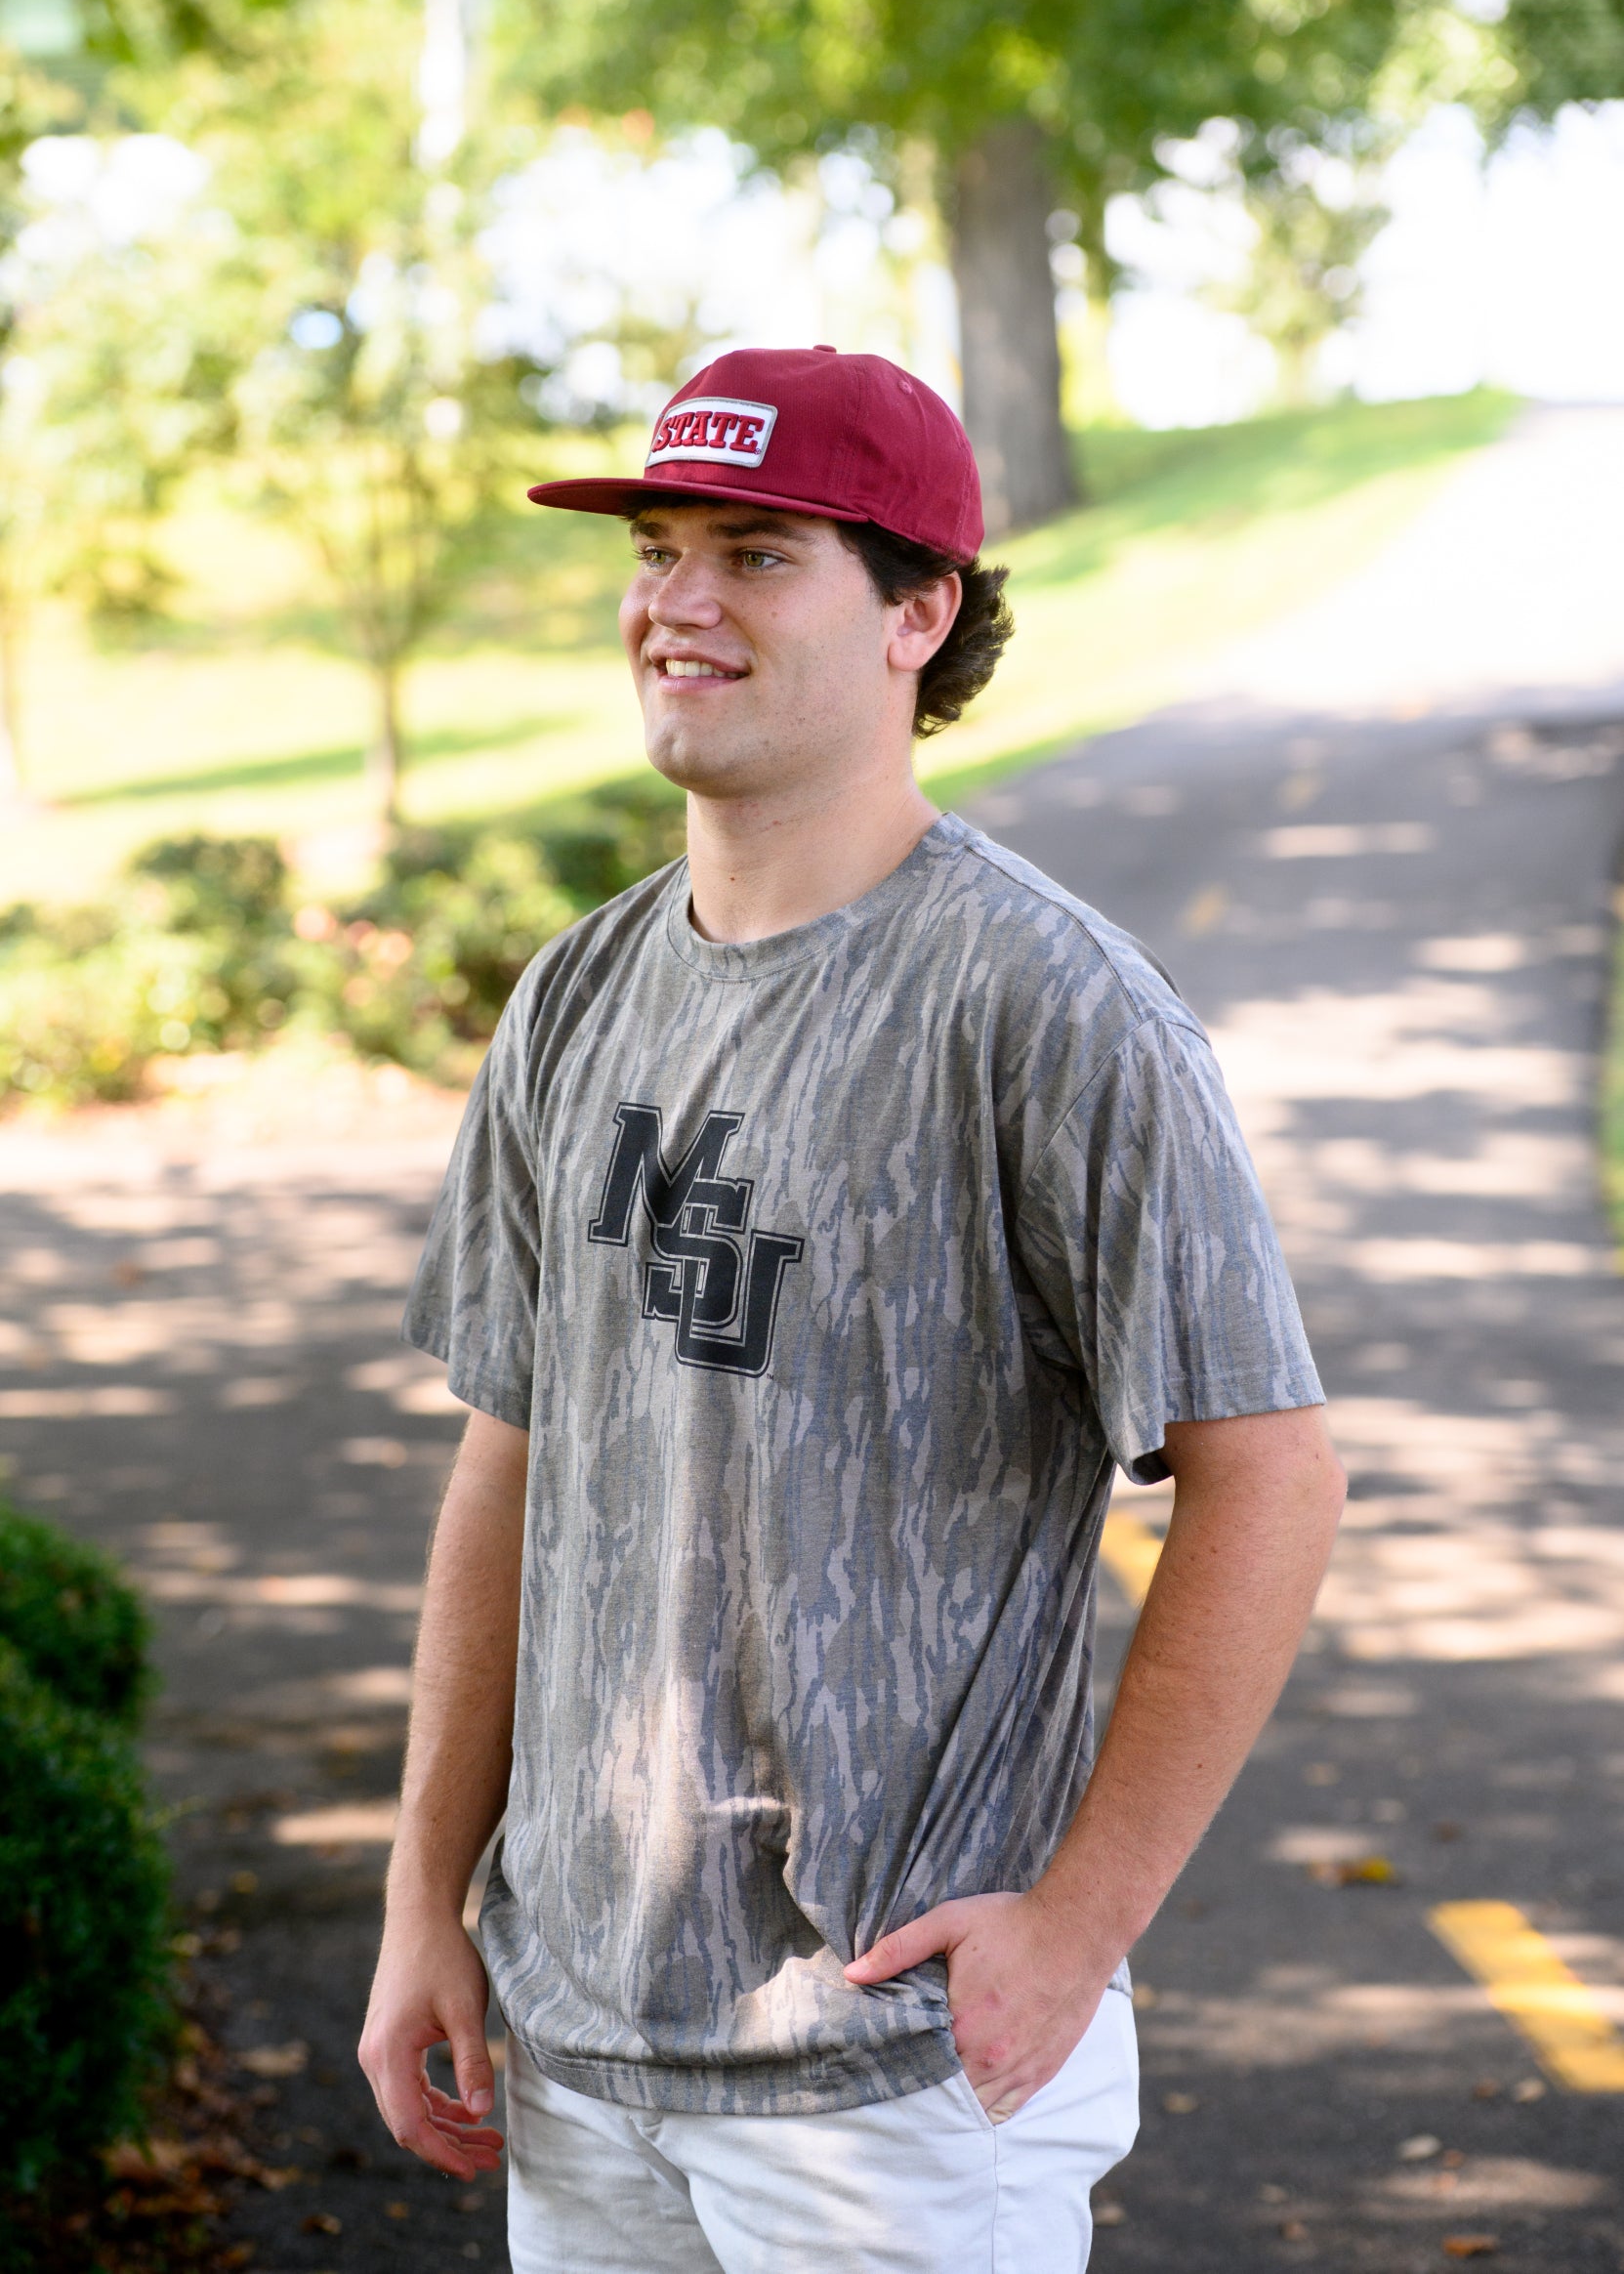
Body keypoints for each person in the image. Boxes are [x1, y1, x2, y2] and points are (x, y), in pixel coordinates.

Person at [358, 346, 1344, 2271]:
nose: (676, 600)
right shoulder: (576, 998)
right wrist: (423, 1898)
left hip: (891, 2067)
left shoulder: (1051, 1009)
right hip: (583, 2033)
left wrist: (1073, 1925)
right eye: (656, 548)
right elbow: (511, 1463)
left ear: (919, 609)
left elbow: (1270, 1474)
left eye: (753, 550)